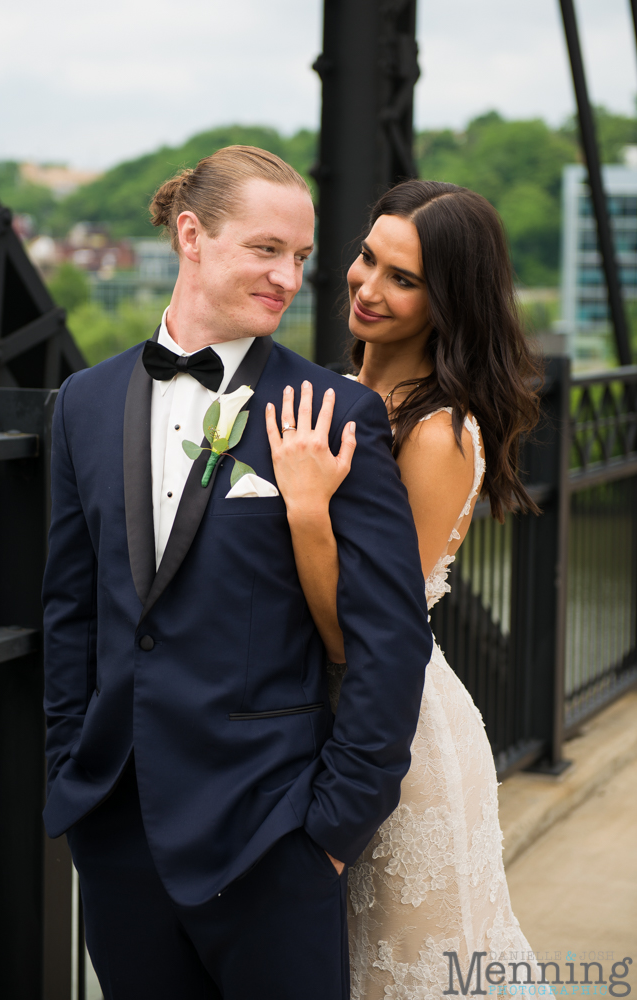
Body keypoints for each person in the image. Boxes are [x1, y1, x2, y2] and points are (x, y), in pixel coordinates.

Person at [41, 147, 433, 1000]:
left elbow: (390, 639)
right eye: (266, 249)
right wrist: (71, 774)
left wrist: (332, 830)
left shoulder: (337, 414)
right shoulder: (84, 403)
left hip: (271, 833)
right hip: (119, 830)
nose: (288, 277)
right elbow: (71, 609)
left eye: (299, 257)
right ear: (191, 234)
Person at [266, 179, 547, 999]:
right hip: (309, 716)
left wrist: (308, 509)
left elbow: (364, 635)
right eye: (365, 258)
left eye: (403, 278)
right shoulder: (330, 396)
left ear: (447, 300)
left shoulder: (438, 433)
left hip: (394, 736)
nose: (367, 285)